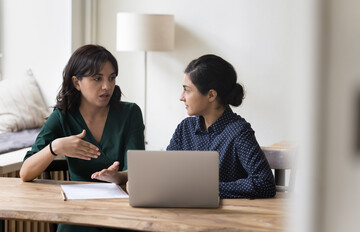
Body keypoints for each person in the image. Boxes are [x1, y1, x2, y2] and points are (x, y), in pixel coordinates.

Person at [94, 54, 276, 199]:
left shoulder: (238, 131)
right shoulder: (185, 128)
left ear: (211, 95)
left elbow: (264, 184)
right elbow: (165, 172)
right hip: (182, 214)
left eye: (187, 90)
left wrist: (204, 189)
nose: (181, 96)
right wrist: (130, 179)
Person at [20, 44, 145, 232]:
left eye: (112, 78)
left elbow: (137, 172)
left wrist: (117, 177)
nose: (107, 86)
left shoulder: (130, 113)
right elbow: (25, 173)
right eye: (97, 78)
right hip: (78, 213)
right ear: (77, 83)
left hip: (121, 213)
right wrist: (56, 146)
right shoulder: (62, 117)